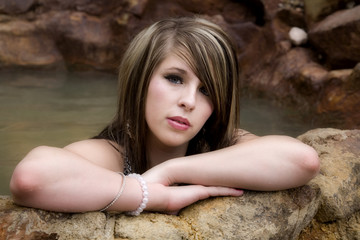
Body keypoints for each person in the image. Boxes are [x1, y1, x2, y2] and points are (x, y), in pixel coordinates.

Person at [9, 16, 320, 215]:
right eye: (174, 78)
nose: (189, 101)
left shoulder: (219, 142)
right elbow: (31, 178)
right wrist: (148, 194)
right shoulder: (111, 153)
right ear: (140, 80)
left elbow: (302, 161)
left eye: (207, 90)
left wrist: (173, 171)